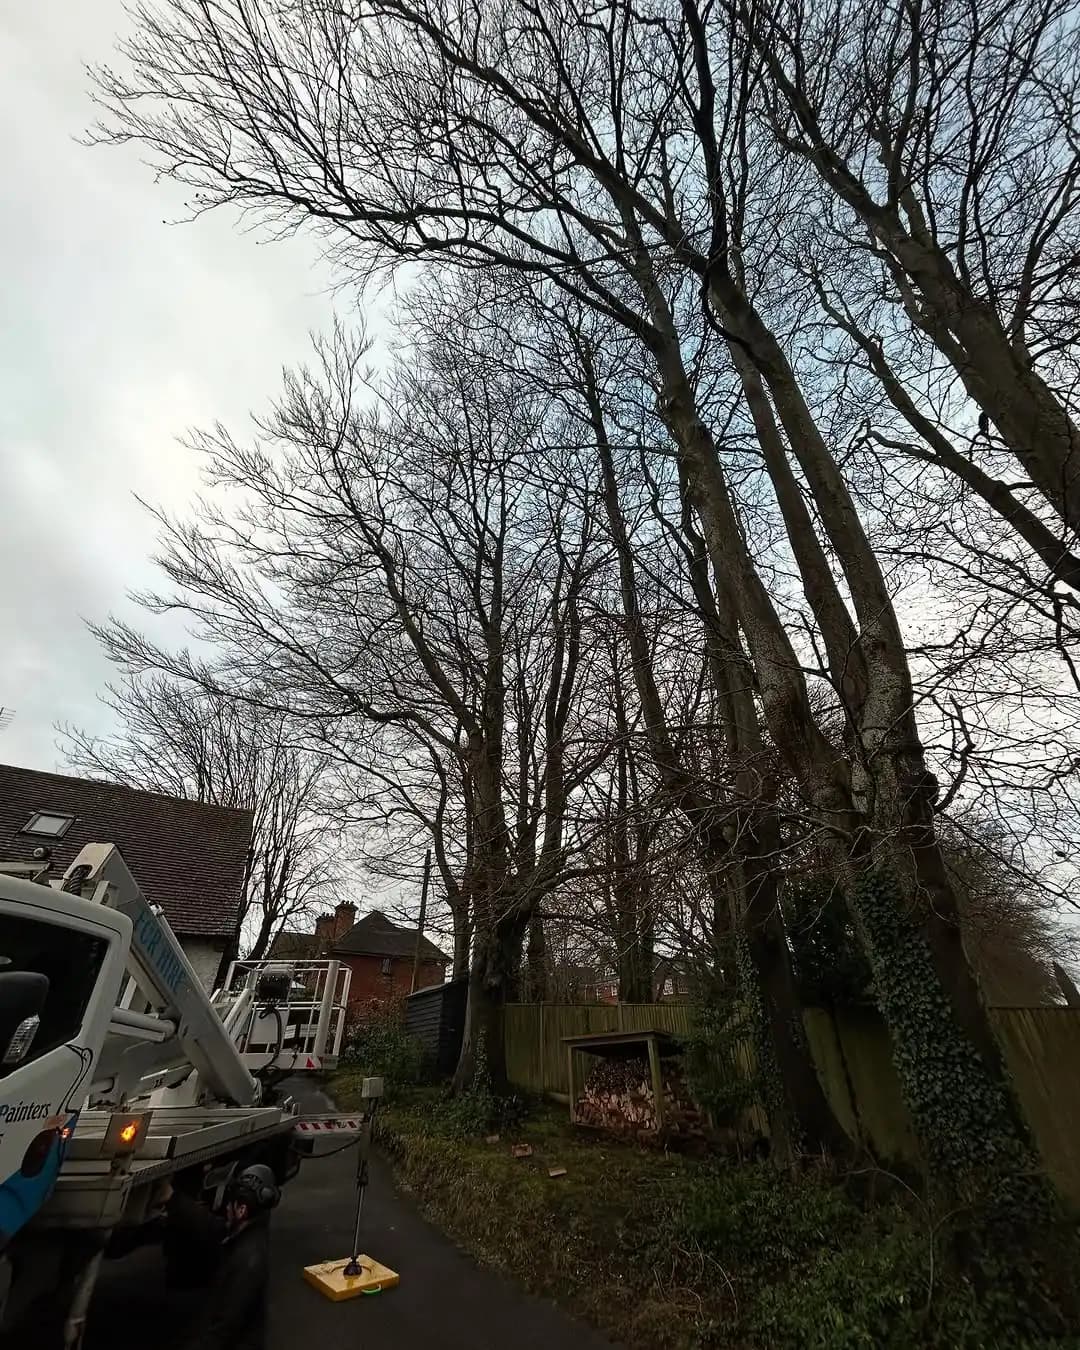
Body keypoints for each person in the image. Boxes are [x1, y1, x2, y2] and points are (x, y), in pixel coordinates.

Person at [170, 1163, 280, 1350]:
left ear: (241, 1210)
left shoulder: (247, 1262)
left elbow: (222, 1331)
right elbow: (211, 1225)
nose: (226, 1209)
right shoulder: (250, 1233)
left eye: (229, 1204)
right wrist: (172, 1198)